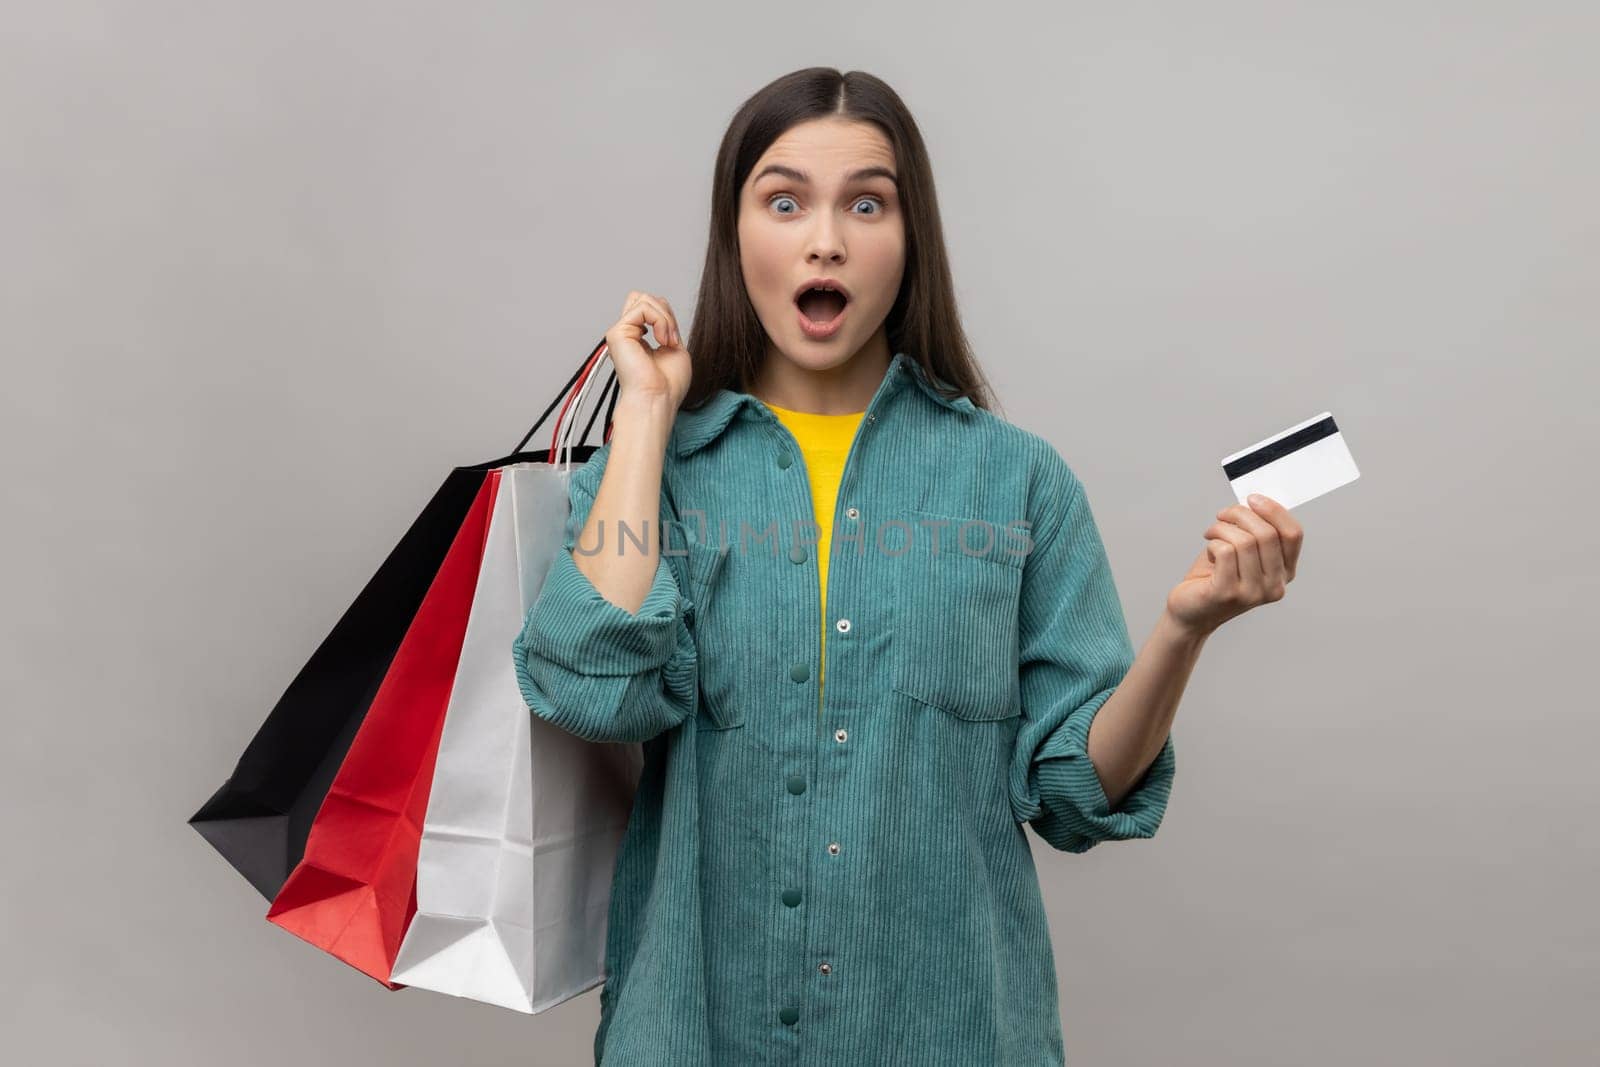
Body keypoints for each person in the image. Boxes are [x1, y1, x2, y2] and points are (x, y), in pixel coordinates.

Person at [513, 66, 1304, 1066]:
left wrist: (1184, 629)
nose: (825, 238)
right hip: (696, 1033)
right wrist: (646, 415)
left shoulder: (1014, 480)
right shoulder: (657, 468)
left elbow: (1075, 796)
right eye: (785, 200)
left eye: (867, 203)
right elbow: (598, 688)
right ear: (736, 233)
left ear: (909, 235)